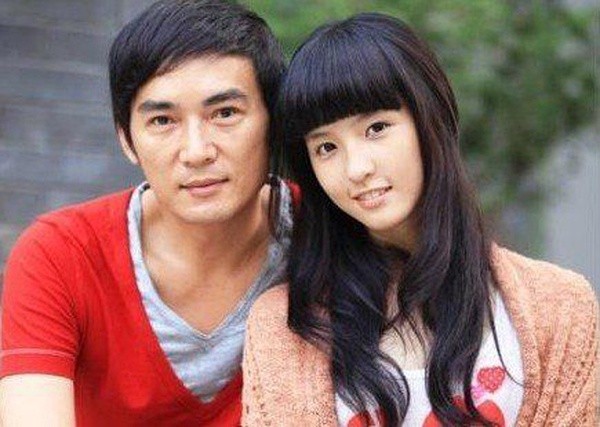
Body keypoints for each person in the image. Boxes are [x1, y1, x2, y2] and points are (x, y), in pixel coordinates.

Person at [242, 13, 598, 426]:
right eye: (326, 148)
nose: (356, 168)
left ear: (432, 117)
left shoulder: (560, 307)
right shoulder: (282, 329)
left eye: (376, 128)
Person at [0, 0, 293, 425]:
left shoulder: (331, 232)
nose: (196, 151)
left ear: (275, 120)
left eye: (225, 113)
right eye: (162, 121)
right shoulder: (61, 254)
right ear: (126, 139)